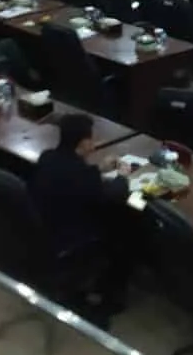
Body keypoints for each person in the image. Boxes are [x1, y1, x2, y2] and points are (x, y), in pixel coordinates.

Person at [29, 113, 124, 321]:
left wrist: (98, 168)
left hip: (42, 231)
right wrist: (122, 175)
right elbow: (112, 194)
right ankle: (108, 299)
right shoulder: (82, 176)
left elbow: (74, 175)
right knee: (123, 231)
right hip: (69, 242)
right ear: (83, 143)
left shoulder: (47, 157)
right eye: (92, 138)